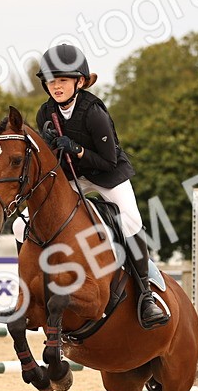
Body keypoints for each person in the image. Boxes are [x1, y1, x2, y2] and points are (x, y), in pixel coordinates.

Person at [31, 44, 168, 329]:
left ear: (79, 82)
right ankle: (29, 289)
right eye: (52, 81)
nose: (56, 86)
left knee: (131, 221)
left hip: (107, 174)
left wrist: (77, 149)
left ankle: (145, 296)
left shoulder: (93, 112)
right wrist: (49, 148)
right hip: (72, 175)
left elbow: (108, 160)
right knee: (24, 225)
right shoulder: (45, 114)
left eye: (63, 80)